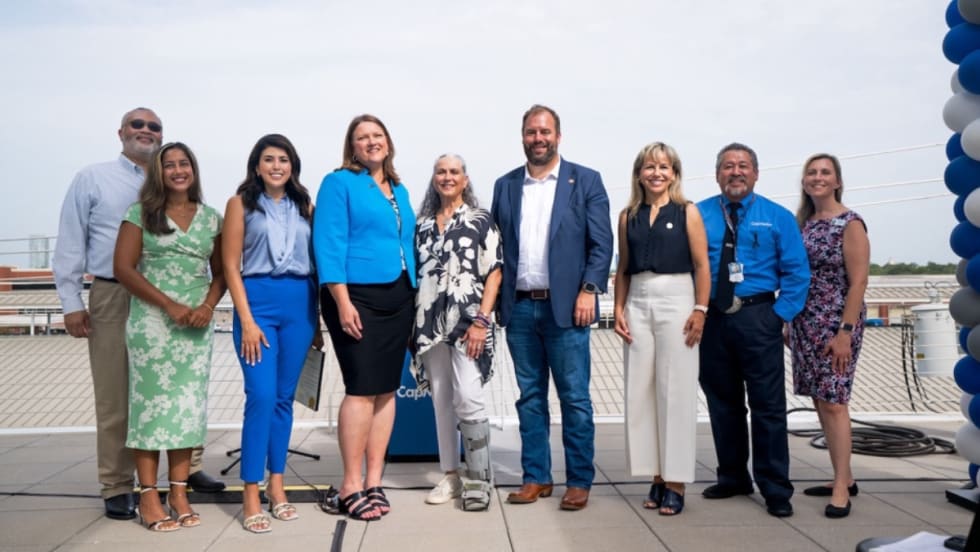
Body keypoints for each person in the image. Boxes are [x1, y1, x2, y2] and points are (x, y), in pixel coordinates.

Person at [52, 108, 224, 522]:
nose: (145, 131)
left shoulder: (188, 196)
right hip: (115, 292)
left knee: (182, 392)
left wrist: (202, 304)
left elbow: (214, 262)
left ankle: (187, 471)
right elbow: (71, 240)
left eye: (154, 127)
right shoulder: (93, 178)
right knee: (118, 395)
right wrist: (71, 302)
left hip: (182, 301)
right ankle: (117, 484)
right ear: (121, 132)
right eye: (137, 125)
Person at [491, 104, 613, 511]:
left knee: (574, 398)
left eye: (545, 132)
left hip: (568, 309)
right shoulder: (506, 185)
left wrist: (589, 289)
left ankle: (578, 480)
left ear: (558, 136)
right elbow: (496, 247)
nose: (538, 138)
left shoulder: (586, 181)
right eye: (531, 132)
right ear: (523, 137)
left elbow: (601, 244)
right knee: (529, 398)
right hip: (520, 310)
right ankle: (536, 477)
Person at [113, 141, 226, 531]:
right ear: (158, 173)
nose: (178, 171)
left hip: (196, 326)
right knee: (150, 410)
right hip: (153, 324)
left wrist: (207, 306)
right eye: (169, 165)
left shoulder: (212, 218)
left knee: (186, 410)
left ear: (194, 170)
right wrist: (168, 305)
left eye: (184, 164)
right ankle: (148, 496)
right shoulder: (140, 213)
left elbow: (222, 272)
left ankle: (178, 493)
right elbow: (123, 268)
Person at [696, 143, 810, 518]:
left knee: (768, 407)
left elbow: (797, 273)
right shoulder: (698, 214)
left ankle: (775, 487)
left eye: (743, 166)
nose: (736, 172)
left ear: (756, 174)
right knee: (722, 403)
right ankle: (732, 477)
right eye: (728, 166)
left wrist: (778, 316)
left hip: (758, 316)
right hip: (713, 318)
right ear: (718, 175)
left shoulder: (777, 217)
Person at [313, 114, 416, 521]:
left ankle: (374, 481)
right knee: (360, 389)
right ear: (352, 147)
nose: (371, 142)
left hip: (400, 295)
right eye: (362, 137)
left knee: (387, 390)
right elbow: (328, 243)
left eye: (377, 135)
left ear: (388, 142)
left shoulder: (400, 188)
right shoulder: (338, 183)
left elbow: (406, 241)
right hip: (356, 296)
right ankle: (349, 485)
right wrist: (341, 301)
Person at [222, 134, 320, 533]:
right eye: (269, 159)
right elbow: (231, 266)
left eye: (283, 159)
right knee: (260, 396)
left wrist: (317, 322)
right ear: (256, 166)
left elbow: (317, 264)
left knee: (283, 399)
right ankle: (250, 492)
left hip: (300, 305)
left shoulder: (305, 206)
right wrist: (246, 320)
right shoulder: (240, 204)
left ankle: (277, 486)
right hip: (257, 303)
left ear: (292, 165)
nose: (276, 166)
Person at [612, 142, 710, 516]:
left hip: (677, 298)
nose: (656, 173)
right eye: (650, 167)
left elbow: (702, 265)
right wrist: (618, 308)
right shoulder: (627, 216)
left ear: (674, 174)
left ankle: (676, 481)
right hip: (637, 300)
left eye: (664, 167)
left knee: (676, 390)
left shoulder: (688, 212)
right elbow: (623, 267)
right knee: (641, 390)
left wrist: (700, 309)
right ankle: (656, 473)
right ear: (639, 174)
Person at [413, 154, 503, 511]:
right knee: (441, 400)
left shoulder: (480, 219)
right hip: (429, 323)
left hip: (469, 323)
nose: (447, 177)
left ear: (465, 180)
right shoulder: (422, 225)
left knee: (468, 395)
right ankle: (450, 475)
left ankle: (479, 478)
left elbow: (494, 271)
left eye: (454, 172)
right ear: (434, 178)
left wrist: (482, 321)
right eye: (441, 172)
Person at [789, 153, 869, 519]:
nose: (817, 177)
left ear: (837, 181)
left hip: (837, 322)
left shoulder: (850, 223)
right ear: (804, 181)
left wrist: (845, 333)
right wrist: (789, 321)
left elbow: (859, 282)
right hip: (806, 321)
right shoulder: (803, 224)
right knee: (821, 400)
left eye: (825, 172)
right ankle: (844, 475)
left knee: (835, 402)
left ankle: (840, 488)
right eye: (812, 172)